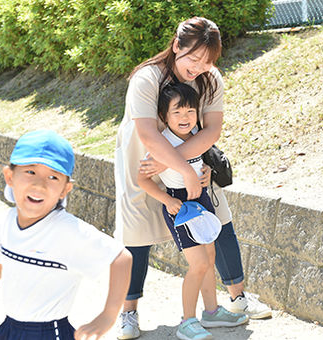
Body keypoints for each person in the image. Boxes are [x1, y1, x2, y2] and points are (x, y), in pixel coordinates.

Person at [114, 16, 272, 340]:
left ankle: (235, 299)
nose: (200, 66)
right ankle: (128, 312)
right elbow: (147, 133)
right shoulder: (147, 78)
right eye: (194, 58)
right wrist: (179, 168)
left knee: (218, 221)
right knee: (136, 232)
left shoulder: (210, 79)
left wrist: (184, 166)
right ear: (176, 46)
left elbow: (212, 129)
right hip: (142, 157)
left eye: (208, 61)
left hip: (192, 153)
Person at [0, 130, 132, 340]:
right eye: (30, 172)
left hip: (49, 333)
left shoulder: (67, 230)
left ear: (65, 190)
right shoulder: (7, 221)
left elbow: (121, 257)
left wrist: (109, 315)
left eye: (53, 177)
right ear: (9, 176)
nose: (39, 184)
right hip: (8, 329)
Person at [137, 82, 248, 339]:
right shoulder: (162, 144)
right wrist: (167, 200)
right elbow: (142, 181)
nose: (185, 117)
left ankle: (211, 313)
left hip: (203, 201)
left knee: (209, 259)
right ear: (164, 117)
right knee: (198, 264)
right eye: (177, 112)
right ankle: (187, 321)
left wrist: (206, 172)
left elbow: (198, 163)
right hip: (180, 207)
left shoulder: (197, 134)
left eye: (190, 111)